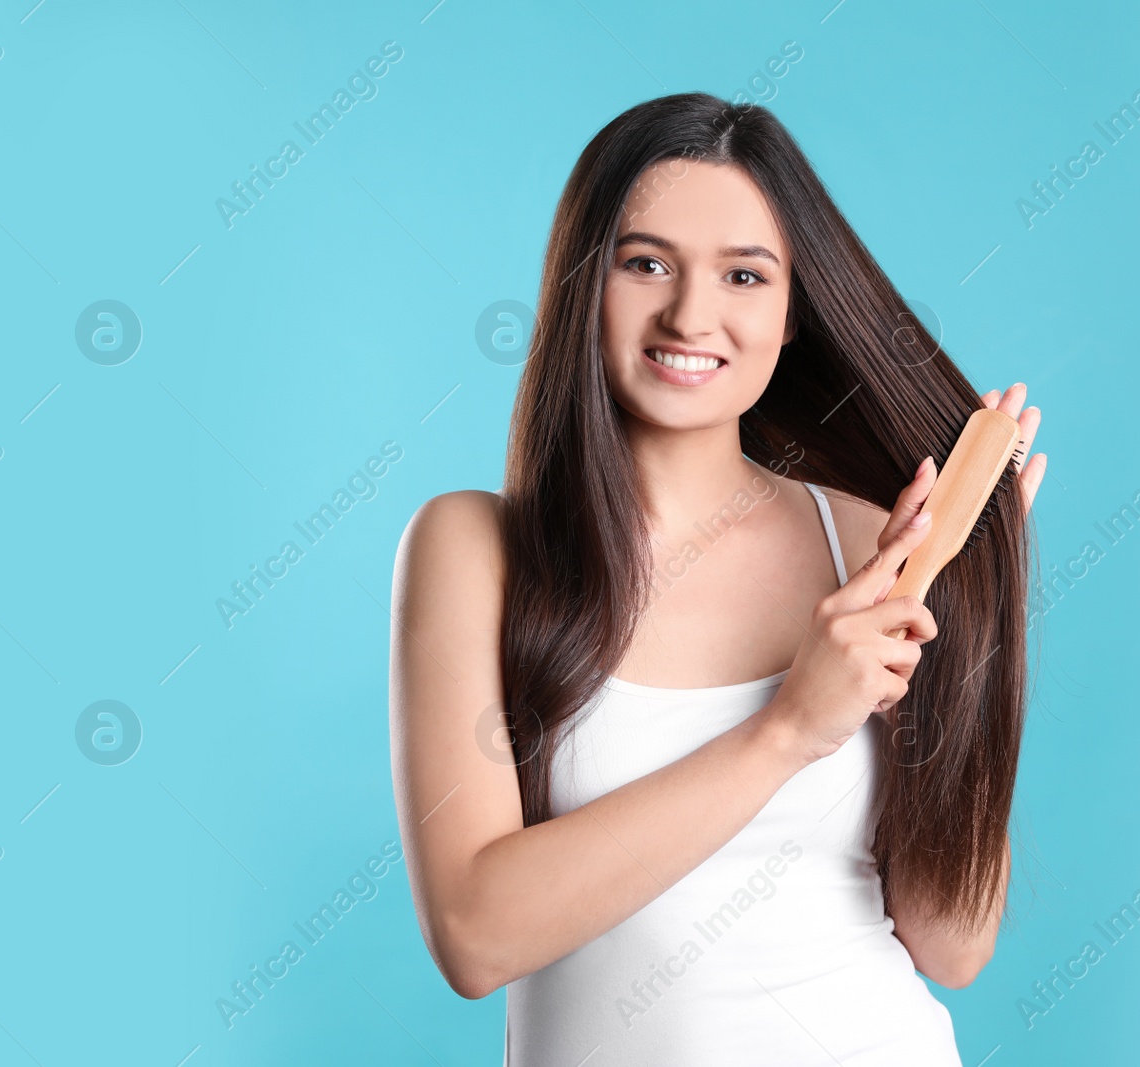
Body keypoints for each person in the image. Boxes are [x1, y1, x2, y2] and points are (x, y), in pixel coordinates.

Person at [388, 92, 1044, 1065]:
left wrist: (966, 632)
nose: (691, 313)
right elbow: (476, 933)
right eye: (645, 262)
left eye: (744, 274)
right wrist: (788, 727)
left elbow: (952, 943)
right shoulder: (476, 549)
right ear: (583, 286)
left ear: (790, 316)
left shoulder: (869, 547)